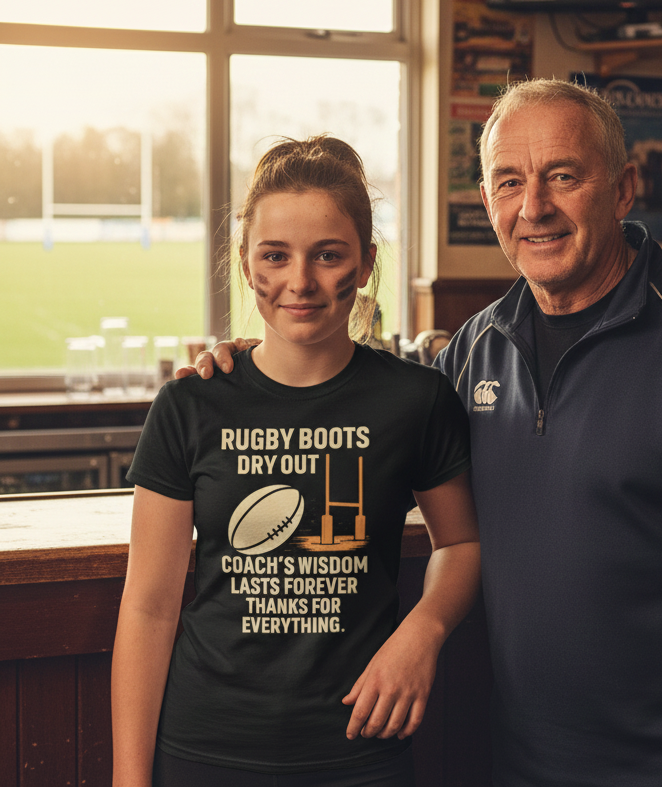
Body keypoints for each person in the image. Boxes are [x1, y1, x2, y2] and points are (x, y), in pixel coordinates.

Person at [190, 82, 662, 787]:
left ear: (624, 189)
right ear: (488, 201)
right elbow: (353, 432)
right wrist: (252, 370)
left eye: (563, 177)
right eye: (509, 182)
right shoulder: (472, 353)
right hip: (520, 767)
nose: (534, 207)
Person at [113, 135, 480, 787]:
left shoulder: (417, 400)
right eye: (275, 255)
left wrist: (422, 631)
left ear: (365, 264)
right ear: (247, 264)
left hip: (361, 747)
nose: (300, 282)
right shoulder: (189, 405)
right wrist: (129, 780)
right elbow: (148, 608)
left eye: (328, 255)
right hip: (205, 749)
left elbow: (461, 543)